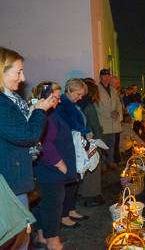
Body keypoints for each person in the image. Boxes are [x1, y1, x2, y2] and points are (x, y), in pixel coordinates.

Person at [0, 46, 52, 250]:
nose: (23, 78)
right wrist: (39, 112)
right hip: (9, 186)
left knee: (21, 238)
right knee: (17, 241)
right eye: (18, 71)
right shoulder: (2, 104)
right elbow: (28, 135)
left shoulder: (10, 101)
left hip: (13, 183)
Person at [30, 81, 77, 250]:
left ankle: (43, 237)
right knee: (53, 205)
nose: (59, 101)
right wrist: (61, 164)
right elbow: (46, 143)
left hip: (45, 170)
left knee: (43, 204)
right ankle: (53, 243)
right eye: (56, 97)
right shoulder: (46, 116)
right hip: (51, 171)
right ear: (47, 97)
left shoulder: (46, 113)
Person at [56, 78, 90, 227]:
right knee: (69, 180)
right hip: (66, 146)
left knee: (74, 179)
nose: (80, 97)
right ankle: (64, 215)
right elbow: (71, 124)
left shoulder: (71, 103)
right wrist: (87, 130)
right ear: (69, 90)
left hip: (73, 144)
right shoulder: (64, 104)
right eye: (78, 94)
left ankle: (70, 209)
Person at [76, 79, 106, 207]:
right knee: (93, 169)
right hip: (91, 141)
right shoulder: (89, 106)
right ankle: (91, 196)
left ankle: (82, 192)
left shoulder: (78, 104)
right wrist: (101, 140)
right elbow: (94, 125)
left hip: (80, 140)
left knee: (83, 167)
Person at [95, 69, 122, 174]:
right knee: (103, 144)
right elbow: (97, 105)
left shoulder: (113, 90)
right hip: (104, 121)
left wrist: (116, 112)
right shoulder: (97, 89)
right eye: (104, 76)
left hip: (113, 121)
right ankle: (102, 165)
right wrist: (109, 114)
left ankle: (110, 161)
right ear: (100, 77)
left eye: (108, 76)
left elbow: (118, 103)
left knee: (111, 143)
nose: (106, 78)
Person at [110, 76, 122, 165]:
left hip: (117, 120)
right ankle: (114, 159)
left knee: (116, 140)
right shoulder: (110, 92)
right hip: (112, 121)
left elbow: (118, 105)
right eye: (117, 83)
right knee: (113, 142)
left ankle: (117, 158)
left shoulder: (114, 92)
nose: (118, 85)